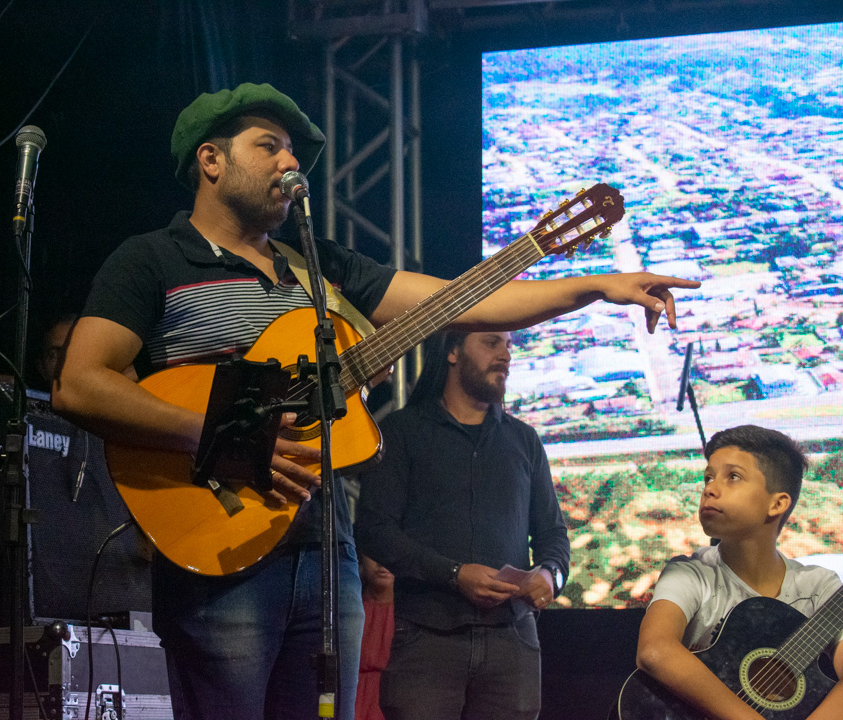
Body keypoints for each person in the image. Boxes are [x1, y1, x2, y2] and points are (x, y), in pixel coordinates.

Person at [52, 81, 698, 720]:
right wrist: (219, 434)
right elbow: (80, 384)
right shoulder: (153, 261)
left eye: (293, 153)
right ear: (211, 161)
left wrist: (596, 285)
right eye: (269, 146)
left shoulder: (317, 266)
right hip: (218, 540)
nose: (289, 163)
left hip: (326, 548)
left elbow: (463, 301)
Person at [354, 331, 570, 720]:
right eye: (492, 343)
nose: (505, 354)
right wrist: (454, 575)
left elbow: (553, 535)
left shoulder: (524, 439)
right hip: (425, 640)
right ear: (452, 352)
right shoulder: (402, 432)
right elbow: (375, 529)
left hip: (513, 640)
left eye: (508, 345)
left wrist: (551, 575)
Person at [634, 425, 843, 719]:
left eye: (733, 477)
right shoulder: (690, 573)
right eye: (708, 477)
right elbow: (655, 650)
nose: (710, 488)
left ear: (777, 503)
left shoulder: (819, 586)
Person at [356, 555, 395, 720]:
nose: (382, 561)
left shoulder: (417, 615)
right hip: (345, 703)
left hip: (395, 706)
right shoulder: (343, 610)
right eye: (374, 553)